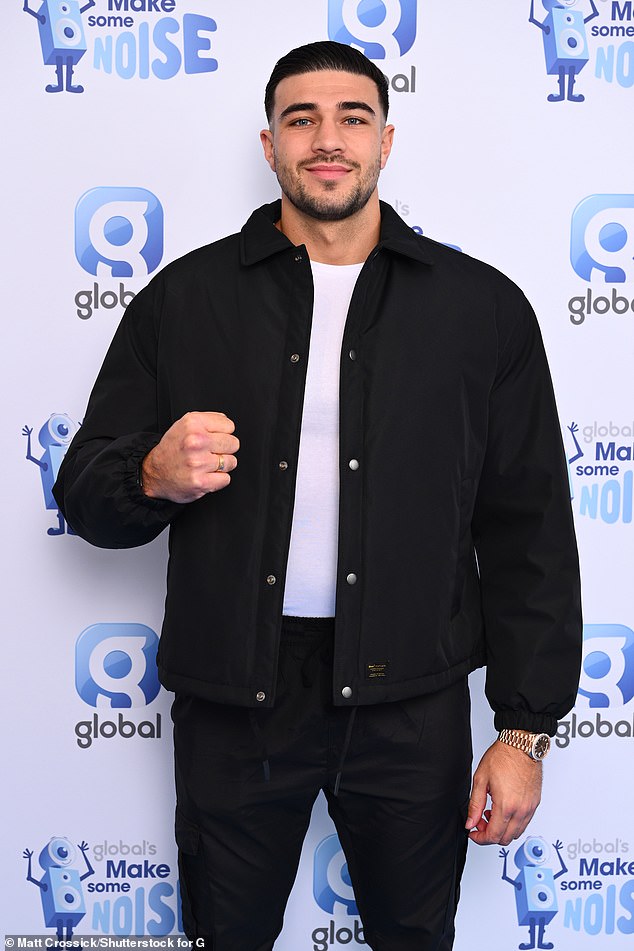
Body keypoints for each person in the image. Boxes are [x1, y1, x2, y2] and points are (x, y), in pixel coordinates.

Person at [54, 40, 582, 951]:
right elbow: (87, 492)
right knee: (228, 935)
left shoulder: (480, 309)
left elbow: (529, 524)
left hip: (411, 698)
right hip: (235, 697)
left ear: (386, 140)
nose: (327, 140)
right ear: (269, 145)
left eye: (352, 118)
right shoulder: (184, 299)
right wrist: (151, 473)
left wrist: (525, 729)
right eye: (302, 119)